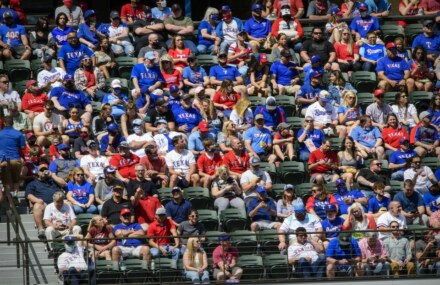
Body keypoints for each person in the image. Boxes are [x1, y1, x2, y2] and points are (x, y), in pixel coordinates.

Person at [25, 163, 63, 239]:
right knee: (37, 205)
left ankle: (68, 227)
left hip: (58, 204)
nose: (43, 172)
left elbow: (64, 184)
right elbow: (29, 195)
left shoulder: (53, 181)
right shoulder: (33, 183)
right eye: (41, 170)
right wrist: (37, 200)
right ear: (38, 172)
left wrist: (52, 175)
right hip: (44, 205)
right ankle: (41, 229)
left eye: (45, 170)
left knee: (68, 203)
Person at [0, 116, 25, 201]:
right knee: (16, 180)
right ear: (13, 123)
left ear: (4, 123)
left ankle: (9, 199)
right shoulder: (18, 134)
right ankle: (15, 197)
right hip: (15, 159)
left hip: (3, 160)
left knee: (6, 182)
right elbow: (22, 146)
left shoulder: (0, 133)